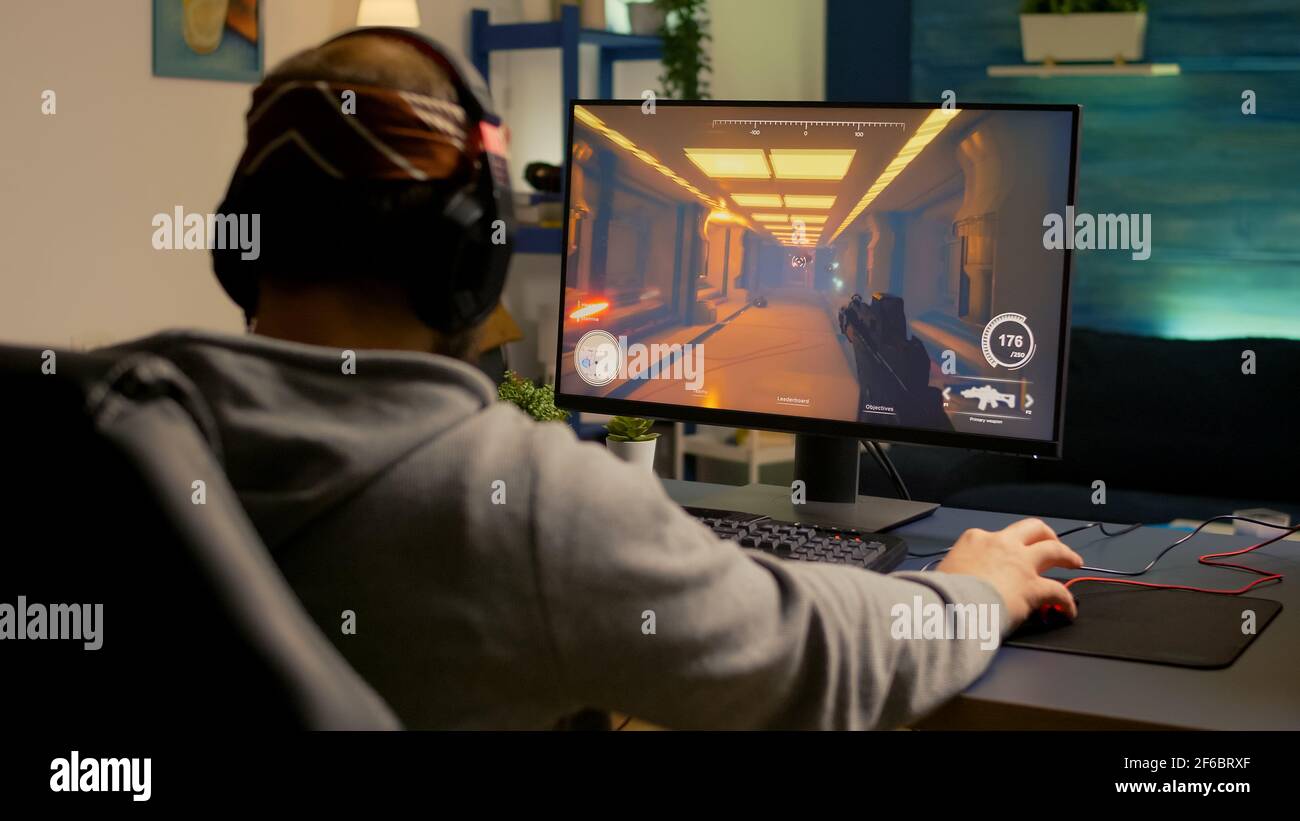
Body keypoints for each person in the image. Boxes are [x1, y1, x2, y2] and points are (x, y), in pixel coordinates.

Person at [116, 29, 1083, 729]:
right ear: (472, 260)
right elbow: (821, 667)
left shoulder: (104, 431)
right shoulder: (521, 504)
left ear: (238, 247)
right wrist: (973, 588)